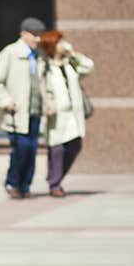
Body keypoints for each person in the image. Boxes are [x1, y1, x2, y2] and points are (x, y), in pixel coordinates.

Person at [0, 17, 47, 199]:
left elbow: (45, 84)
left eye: (40, 36)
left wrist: (49, 101)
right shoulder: (10, 53)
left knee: (31, 151)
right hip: (17, 113)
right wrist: (5, 101)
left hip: (35, 112)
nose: (38, 39)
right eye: (34, 35)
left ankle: (25, 186)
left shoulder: (40, 57)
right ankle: (13, 182)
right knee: (21, 149)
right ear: (24, 34)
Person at [40, 30, 94, 197]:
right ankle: (54, 184)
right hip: (57, 115)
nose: (63, 44)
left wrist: (73, 53)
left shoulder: (70, 63)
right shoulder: (45, 66)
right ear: (52, 46)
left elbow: (89, 66)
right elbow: (42, 88)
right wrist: (47, 103)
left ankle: (55, 178)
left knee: (75, 146)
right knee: (57, 149)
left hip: (73, 114)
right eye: (59, 42)